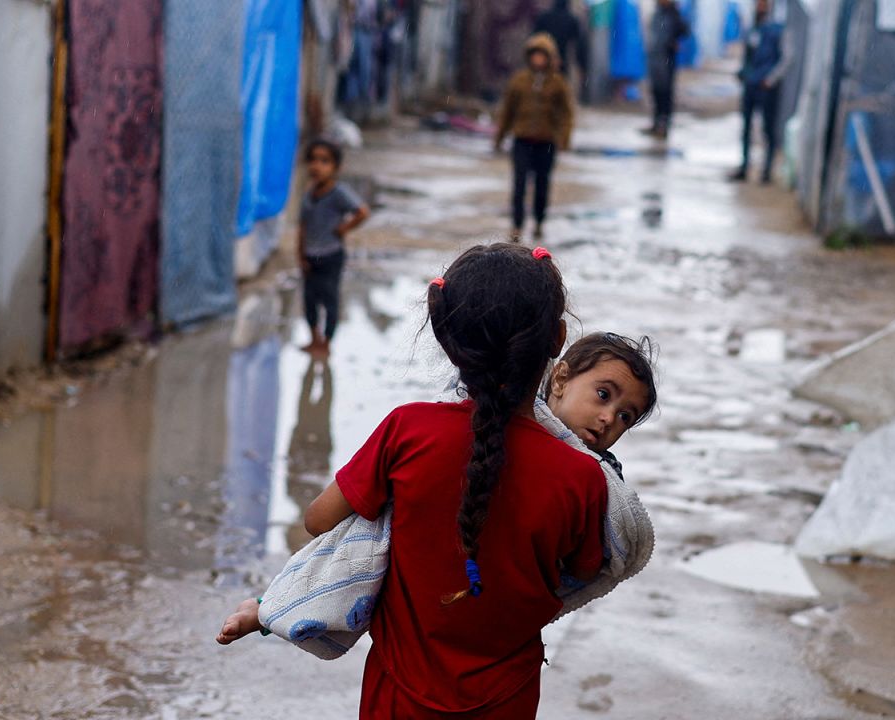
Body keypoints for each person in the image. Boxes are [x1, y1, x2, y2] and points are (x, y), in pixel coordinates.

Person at [218, 243, 608, 717]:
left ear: (449, 341)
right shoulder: (583, 475)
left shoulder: (408, 431)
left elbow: (320, 520)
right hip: (507, 697)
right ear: (558, 339)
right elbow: (586, 569)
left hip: (397, 695)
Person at [543, 332, 658, 478]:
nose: (609, 419)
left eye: (624, 416)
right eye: (603, 394)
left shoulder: (605, 480)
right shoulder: (512, 424)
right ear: (561, 380)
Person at [495, 34, 575, 241]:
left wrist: (564, 138)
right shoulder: (519, 81)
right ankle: (517, 225)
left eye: (542, 56)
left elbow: (566, 113)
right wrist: (500, 136)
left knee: (542, 185)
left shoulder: (557, 83)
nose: (538, 60)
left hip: (545, 142)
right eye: (535, 55)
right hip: (522, 140)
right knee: (519, 185)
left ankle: (539, 221)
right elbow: (507, 111)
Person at [298, 139, 371, 354]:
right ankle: (314, 339)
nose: (316, 166)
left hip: (330, 255)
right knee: (309, 300)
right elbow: (302, 227)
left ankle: (326, 343)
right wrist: (300, 254)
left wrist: (343, 229)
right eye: (312, 160)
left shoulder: (338, 193)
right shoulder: (308, 194)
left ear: (335, 167)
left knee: (329, 299)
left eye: (324, 161)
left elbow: (362, 212)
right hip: (310, 256)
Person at [731, 0, 790, 183]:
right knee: (746, 127)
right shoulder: (753, 28)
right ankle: (744, 166)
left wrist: (771, 79)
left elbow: (788, 58)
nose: (760, 5)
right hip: (751, 85)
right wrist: (743, 73)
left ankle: (766, 171)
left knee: (767, 129)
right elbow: (748, 56)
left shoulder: (779, 30)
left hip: (766, 87)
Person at [644, 0, 690, 140]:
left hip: (666, 58)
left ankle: (664, 124)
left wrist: (672, 42)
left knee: (665, 92)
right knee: (656, 91)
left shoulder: (674, 14)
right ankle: (656, 122)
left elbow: (684, 30)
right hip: (655, 58)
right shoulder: (657, 12)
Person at [533, 0, 589, 93]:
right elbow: (580, 46)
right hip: (561, 61)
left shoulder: (543, 17)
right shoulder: (571, 19)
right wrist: (582, 66)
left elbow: (534, 41)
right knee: (559, 90)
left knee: (541, 89)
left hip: (543, 59)